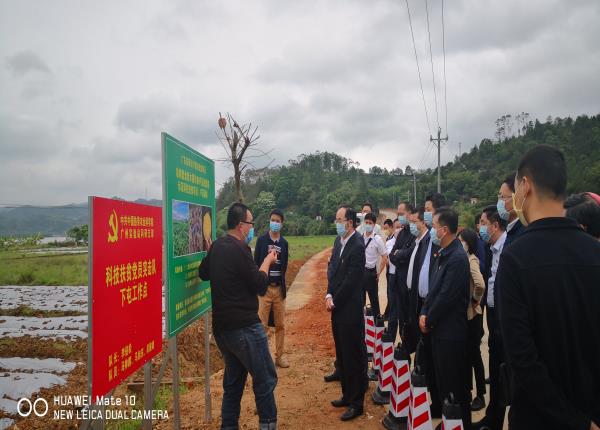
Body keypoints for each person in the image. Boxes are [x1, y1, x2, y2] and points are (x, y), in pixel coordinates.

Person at [498, 145, 600, 429]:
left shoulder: (516, 258)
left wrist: (576, 422)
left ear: (525, 186)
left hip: (537, 418)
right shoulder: (595, 252)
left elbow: (522, 360)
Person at [198, 203, 279, 430]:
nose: (252, 228)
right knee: (265, 379)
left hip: (222, 331)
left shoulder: (217, 246)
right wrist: (267, 261)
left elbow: (203, 273)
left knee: (233, 384)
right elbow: (259, 285)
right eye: (250, 223)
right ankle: (268, 424)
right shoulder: (240, 249)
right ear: (241, 225)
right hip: (245, 329)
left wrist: (211, 253)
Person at [419, 207, 471, 429]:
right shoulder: (443, 253)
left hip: (451, 333)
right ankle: (449, 423)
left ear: (445, 230)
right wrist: (424, 312)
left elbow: (446, 296)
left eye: (434, 227)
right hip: (439, 330)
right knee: (443, 384)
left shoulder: (457, 258)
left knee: (454, 388)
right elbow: (433, 290)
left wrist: (428, 318)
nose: (432, 231)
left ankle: (460, 424)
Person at [326, 205, 368, 421]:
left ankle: (356, 403)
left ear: (350, 223)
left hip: (349, 309)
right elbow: (333, 270)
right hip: (337, 307)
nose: (337, 223)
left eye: (340, 220)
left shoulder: (357, 245)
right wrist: (328, 294)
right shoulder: (338, 242)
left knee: (353, 356)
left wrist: (335, 300)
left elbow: (352, 281)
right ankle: (346, 394)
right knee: (342, 354)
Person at [474, 205, 508, 430]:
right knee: (495, 369)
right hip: (493, 314)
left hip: (504, 317)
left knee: (503, 371)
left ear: (495, 226)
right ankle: (492, 418)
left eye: (484, 223)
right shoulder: (492, 248)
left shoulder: (508, 247)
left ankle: (496, 420)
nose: (480, 228)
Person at [255, 209, 290, 368]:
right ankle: (262, 359)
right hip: (265, 290)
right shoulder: (262, 241)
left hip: (279, 290)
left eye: (277, 221)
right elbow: (256, 263)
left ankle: (279, 357)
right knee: (262, 325)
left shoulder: (284, 243)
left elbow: (284, 266)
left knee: (280, 325)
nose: (274, 223)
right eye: (272, 220)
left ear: (282, 224)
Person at [457, 228, 486, 412]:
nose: (459, 244)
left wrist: (475, 300)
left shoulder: (471, 260)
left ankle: (480, 394)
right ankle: (467, 391)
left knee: (474, 355)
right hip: (465, 315)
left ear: (469, 243)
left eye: (462, 241)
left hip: (473, 316)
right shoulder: (463, 259)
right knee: (466, 355)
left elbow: (480, 284)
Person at [388, 202, 416, 340]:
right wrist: (400, 255)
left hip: (410, 284)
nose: (399, 217)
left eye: (401, 214)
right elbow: (391, 255)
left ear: (410, 213)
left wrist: (399, 254)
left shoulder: (414, 233)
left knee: (411, 317)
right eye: (398, 214)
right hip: (399, 282)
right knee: (401, 316)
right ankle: (404, 344)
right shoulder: (401, 233)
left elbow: (410, 254)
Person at [362, 212, 388, 317]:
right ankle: (361, 323)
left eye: (370, 223)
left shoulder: (377, 239)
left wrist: (379, 272)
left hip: (371, 273)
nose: (368, 224)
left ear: (374, 224)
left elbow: (385, 256)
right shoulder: (360, 237)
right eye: (366, 222)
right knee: (360, 300)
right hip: (360, 272)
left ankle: (377, 323)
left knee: (374, 300)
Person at [497, 173, 526, 248]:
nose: (499, 202)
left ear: (517, 197)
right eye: (499, 197)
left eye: (503, 197)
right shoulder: (511, 230)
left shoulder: (524, 233)